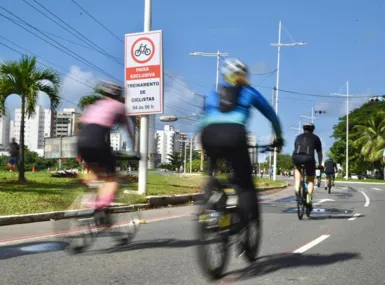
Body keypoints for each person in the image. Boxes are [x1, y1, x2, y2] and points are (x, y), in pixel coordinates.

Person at [199, 58, 284, 228]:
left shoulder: (212, 93)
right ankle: (245, 221)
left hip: (208, 135)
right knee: (244, 183)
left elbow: (204, 119)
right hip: (234, 135)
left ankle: (210, 202)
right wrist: (278, 137)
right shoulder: (249, 92)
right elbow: (271, 116)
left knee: (214, 172)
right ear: (244, 76)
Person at [77, 81, 135, 210]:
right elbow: (129, 130)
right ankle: (102, 204)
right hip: (97, 140)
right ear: (119, 95)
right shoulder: (120, 106)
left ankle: (89, 198)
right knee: (112, 176)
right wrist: (134, 149)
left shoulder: (93, 105)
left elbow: (81, 123)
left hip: (81, 140)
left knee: (93, 172)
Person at [292, 122, 323, 209]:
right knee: (310, 179)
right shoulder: (316, 138)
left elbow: (295, 147)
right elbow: (319, 153)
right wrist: (320, 164)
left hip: (296, 157)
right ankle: (309, 198)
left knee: (297, 169)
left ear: (303, 129)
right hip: (309, 159)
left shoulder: (298, 137)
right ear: (312, 129)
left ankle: (297, 187)